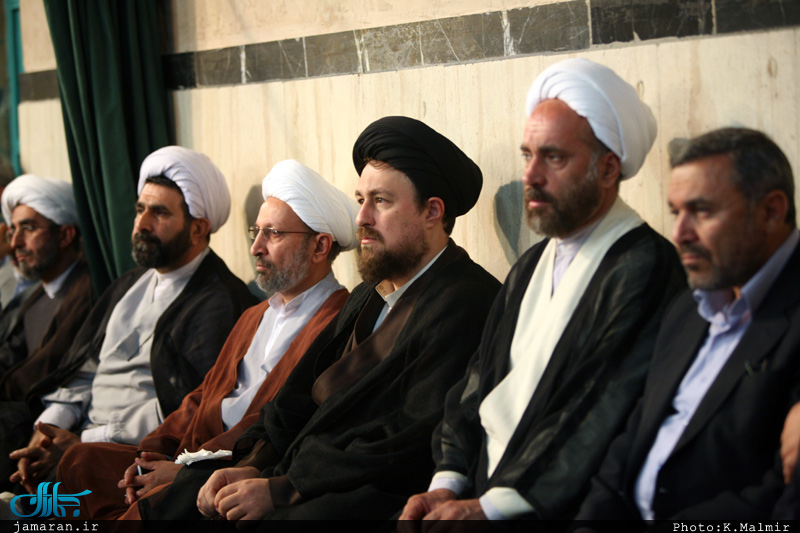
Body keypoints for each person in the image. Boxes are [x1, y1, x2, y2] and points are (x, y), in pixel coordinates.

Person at [140, 116, 501, 522]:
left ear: (432, 211)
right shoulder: (369, 293)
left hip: (364, 491)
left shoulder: (467, 302)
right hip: (303, 471)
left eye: (381, 201)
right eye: (360, 199)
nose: (362, 217)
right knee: (190, 492)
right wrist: (253, 464)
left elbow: (405, 440)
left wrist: (282, 489)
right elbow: (294, 397)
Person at [400, 58, 685, 521]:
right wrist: (447, 482)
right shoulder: (532, 264)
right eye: (528, 156)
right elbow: (477, 382)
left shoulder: (644, 267)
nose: (531, 176)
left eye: (554, 158)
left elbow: (600, 410)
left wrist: (489, 509)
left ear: (607, 168)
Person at [55, 159, 358, 520]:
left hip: (229, 471)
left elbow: (277, 425)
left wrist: (184, 471)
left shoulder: (336, 323)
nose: (255, 247)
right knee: (80, 461)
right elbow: (202, 396)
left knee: (142, 511)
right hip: (187, 456)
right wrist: (152, 453)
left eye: (273, 234)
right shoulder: (255, 315)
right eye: (256, 231)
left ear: (320, 247)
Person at [575, 127, 800, 522]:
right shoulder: (687, 310)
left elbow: (780, 504)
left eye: (703, 211)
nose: (679, 234)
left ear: (771, 211)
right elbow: (632, 441)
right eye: (676, 212)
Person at [5, 146, 258, 494]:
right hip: (79, 434)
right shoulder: (130, 283)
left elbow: (186, 408)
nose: (141, 225)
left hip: (132, 450)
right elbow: (84, 368)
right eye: (140, 210)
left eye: (160, 213)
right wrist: (48, 429)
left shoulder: (218, 301)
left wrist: (83, 441)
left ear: (198, 228)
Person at [0, 175, 94, 491]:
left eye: (27, 229)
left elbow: (47, 372)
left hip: (47, 421)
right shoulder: (36, 295)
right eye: (13, 230)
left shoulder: (87, 290)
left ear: (65, 235)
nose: (15, 243)